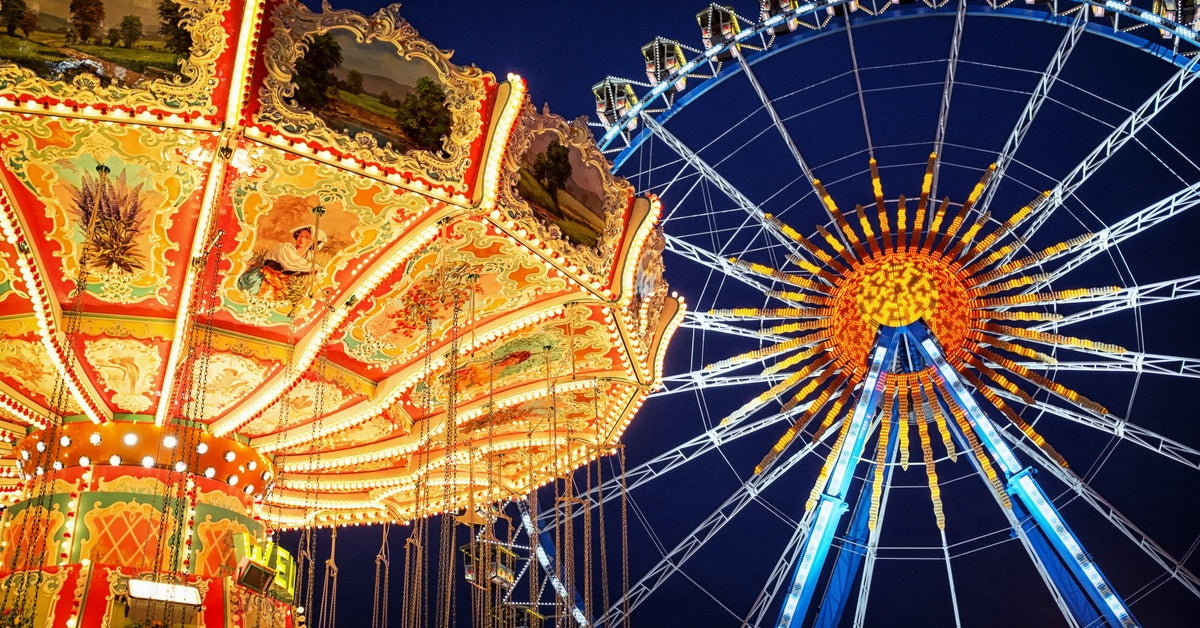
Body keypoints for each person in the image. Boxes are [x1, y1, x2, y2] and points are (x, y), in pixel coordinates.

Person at [238, 226, 327, 300]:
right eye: (300, 236)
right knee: (250, 295)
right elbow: (291, 263)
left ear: (314, 242)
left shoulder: (308, 257)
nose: (301, 239)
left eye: (307, 237)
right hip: (263, 276)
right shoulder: (285, 248)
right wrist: (316, 267)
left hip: (281, 282)